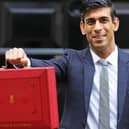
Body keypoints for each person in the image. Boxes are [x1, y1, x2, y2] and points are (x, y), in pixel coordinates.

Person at [5, 0, 129, 129]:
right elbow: (43, 67)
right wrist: (22, 61)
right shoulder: (72, 60)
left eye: (103, 20)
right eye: (91, 22)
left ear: (115, 24)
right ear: (82, 27)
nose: (97, 28)